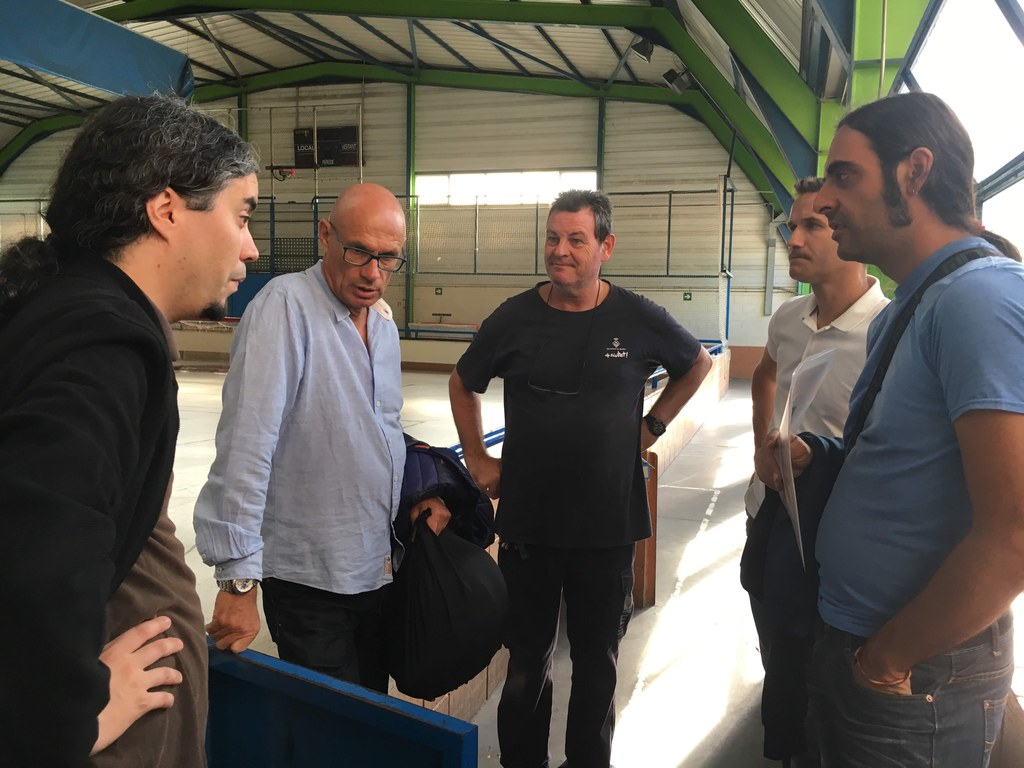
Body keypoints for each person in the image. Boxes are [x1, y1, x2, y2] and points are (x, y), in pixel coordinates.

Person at [760, 92, 1024, 767]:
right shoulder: (913, 304)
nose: (825, 201)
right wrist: (818, 454)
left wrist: (888, 658)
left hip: (915, 673)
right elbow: (904, 456)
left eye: (844, 177)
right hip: (858, 639)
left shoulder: (979, 299)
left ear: (915, 173)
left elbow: (1016, 531)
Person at [0, 94, 259, 766]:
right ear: (167, 209)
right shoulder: (101, 344)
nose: (250, 247)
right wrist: (71, 717)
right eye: (241, 216)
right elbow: (37, 554)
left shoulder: (65, 308)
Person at [449, 189, 712, 768]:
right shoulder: (515, 317)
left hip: (607, 527)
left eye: (575, 239)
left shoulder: (637, 318)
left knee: (597, 664)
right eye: (552, 238)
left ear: (605, 247)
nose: (559, 250)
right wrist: (477, 458)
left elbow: (697, 364)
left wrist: (652, 426)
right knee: (526, 661)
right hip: (529, 526)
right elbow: (463, 381)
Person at [193, 183, 448, 693]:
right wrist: (239, 580)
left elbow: (377, 429)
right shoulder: (284, 307)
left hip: (377, 568)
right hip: (309, 582)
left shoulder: (382, 325)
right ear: (326, 236)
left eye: (388, 259)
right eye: (358, 252)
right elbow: (247, 447)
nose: (373, 273)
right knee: (332, 727)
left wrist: (422, 490)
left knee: (370, 715)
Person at [745, 177, 888, 766]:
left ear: (847, 232)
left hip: (837, 536)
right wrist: (762, 443)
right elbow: (764, 374)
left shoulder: (887, 329)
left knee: (823, 674)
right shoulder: (787, 317)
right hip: (771, 514)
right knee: (776, 646)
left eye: (812, 226)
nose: (793, 239)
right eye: (791, 226)